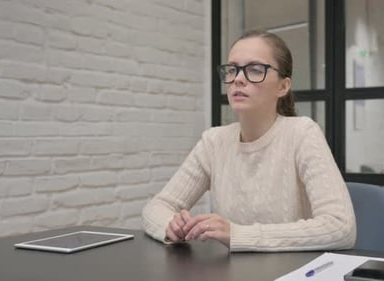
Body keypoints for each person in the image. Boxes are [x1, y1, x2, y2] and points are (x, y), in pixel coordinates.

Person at [142, 30, 356, 252]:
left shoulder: (302, 133)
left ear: (283, 86)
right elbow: (157, 206)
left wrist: (238, 234)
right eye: (232, 69)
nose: (238, 79)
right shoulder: (214, 141)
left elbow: (341, 226)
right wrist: (171, 225)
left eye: (255, 70)